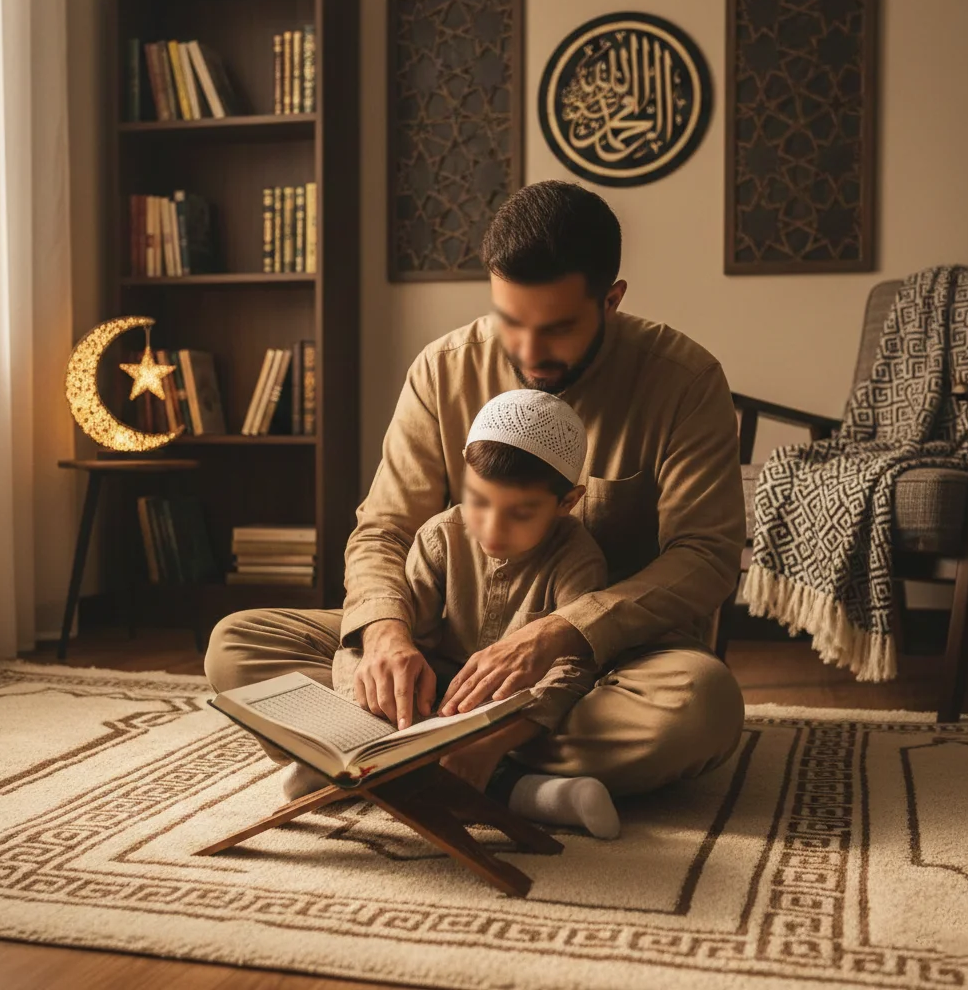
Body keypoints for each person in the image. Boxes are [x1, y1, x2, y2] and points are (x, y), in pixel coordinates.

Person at [204, 179, 746, 834]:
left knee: (703, 706)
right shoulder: (443, 370)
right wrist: (385, 635)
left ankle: (378, 754)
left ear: (612, 300)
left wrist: (562, 631)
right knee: (237, 648)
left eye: (557, 329)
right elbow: (384, 529)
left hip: (594, 671)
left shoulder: (685, 382)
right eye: (509, 320)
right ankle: (509, 779)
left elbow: (706, 558)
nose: (527, 350)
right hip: (441, 654)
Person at [326, 388, 619, 837]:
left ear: (568, 501)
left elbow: (572, 670)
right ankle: (530, 793)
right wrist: (401, 688)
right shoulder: (440, 536)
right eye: (479, 502)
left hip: (513, 712)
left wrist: (489, 743)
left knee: (605, 711)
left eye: (521, 513)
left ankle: (359, 767)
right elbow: (409, 644)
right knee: (354, 649)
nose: (492, 528)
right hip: (431, 699)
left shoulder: (578, 557)